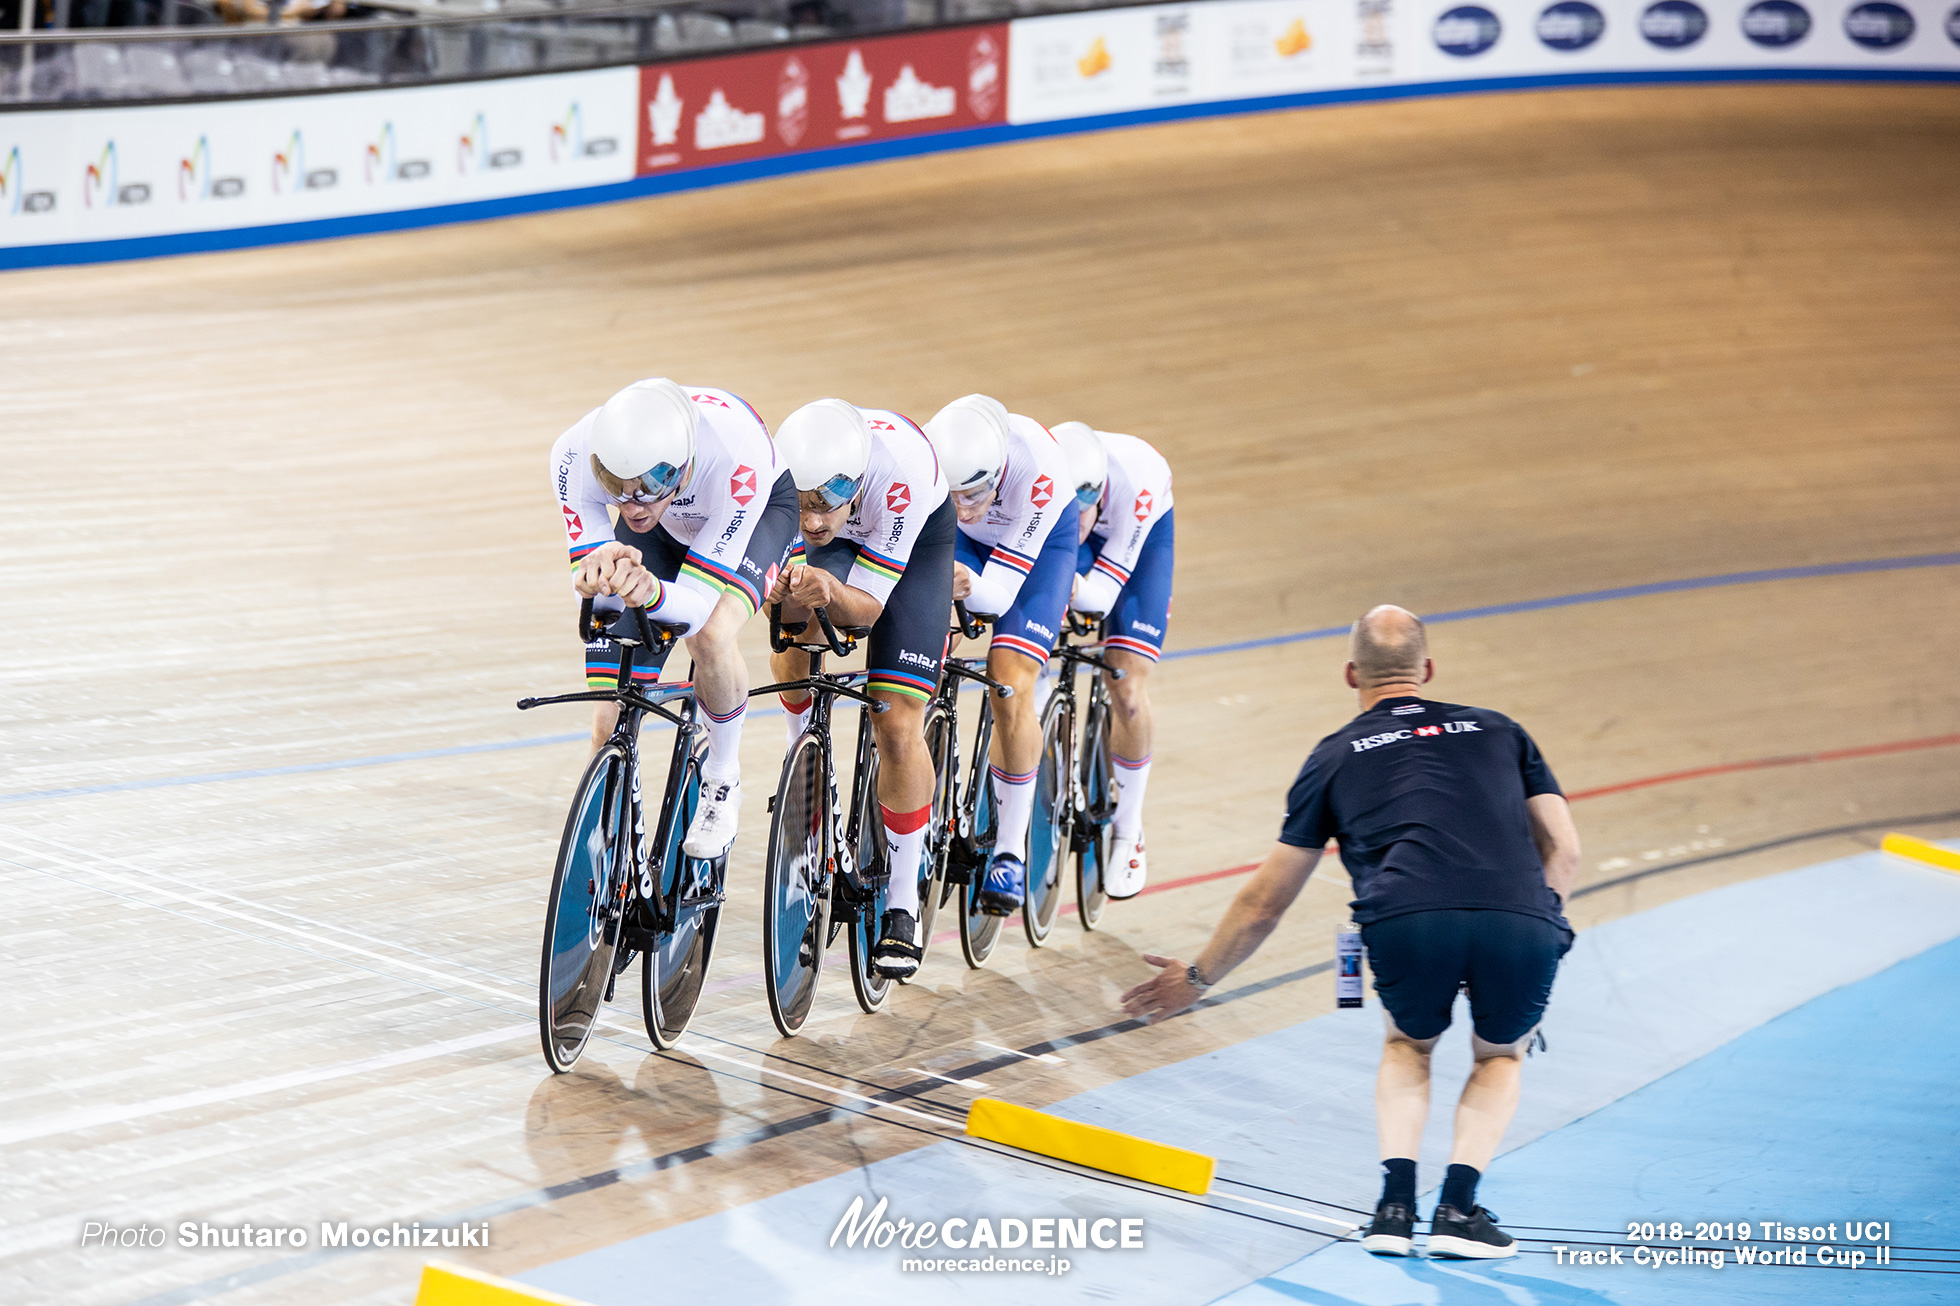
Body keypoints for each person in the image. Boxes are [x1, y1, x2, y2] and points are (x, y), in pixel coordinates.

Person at [1119, 605, 1581, 1260]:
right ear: (1426, 670)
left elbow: (1265, 901)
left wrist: (1195, 980)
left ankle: (1394, 1209)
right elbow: (1562, 849)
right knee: (1500, 1055)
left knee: (1408, 1048)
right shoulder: (1502, 730)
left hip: (1406, 917)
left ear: (1350, 675)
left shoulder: (1333, 756)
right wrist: (1545, 929)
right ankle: (1457, 1209)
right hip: (1520, 916)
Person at [550, 378, 798, 859]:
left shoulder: (736, 456)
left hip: (755, 512)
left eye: (649, 488)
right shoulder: (573, 453)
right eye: (617, 490)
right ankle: (605, 854)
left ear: (683, 471)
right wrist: (592, 582)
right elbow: (600, 603)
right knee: (609, 713)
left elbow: (694, 609)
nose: (631, 505)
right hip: (667, 532)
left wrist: (653, 592)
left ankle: (722, 778)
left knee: (709, 635)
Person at [765, 398, 953, 978]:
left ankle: (901, 905)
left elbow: (867, 611)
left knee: (895, 721)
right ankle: (808, 769)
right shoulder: (791, 486)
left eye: (824, 504)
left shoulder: (901, 475)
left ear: (856, 482)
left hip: (917, 548)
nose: (813, 520)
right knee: (790, 623)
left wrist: (829, 588)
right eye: (800, 506)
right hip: (849, 546)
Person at [924, 394, 1078, 917]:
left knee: (1009, 681)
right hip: (962, 547)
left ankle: (1010, 847)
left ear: (1001, 471)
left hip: (1037, 551)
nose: (965, 507)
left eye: (975, 494)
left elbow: (998, 597)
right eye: (954, 496)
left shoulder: (1039, 470)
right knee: (917, 658)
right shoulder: (933, 460)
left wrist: (968, 586)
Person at [1053, 420, 1174, 899]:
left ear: (1099, 496)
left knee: (1124, 686)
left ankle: (1129, 829)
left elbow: (1101, 597)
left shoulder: (1136, 481)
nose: (1078, 524)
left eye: (1083, 513)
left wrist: (1073, 588)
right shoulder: (1048, 486)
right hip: (1064, 532)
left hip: (1139, 541)